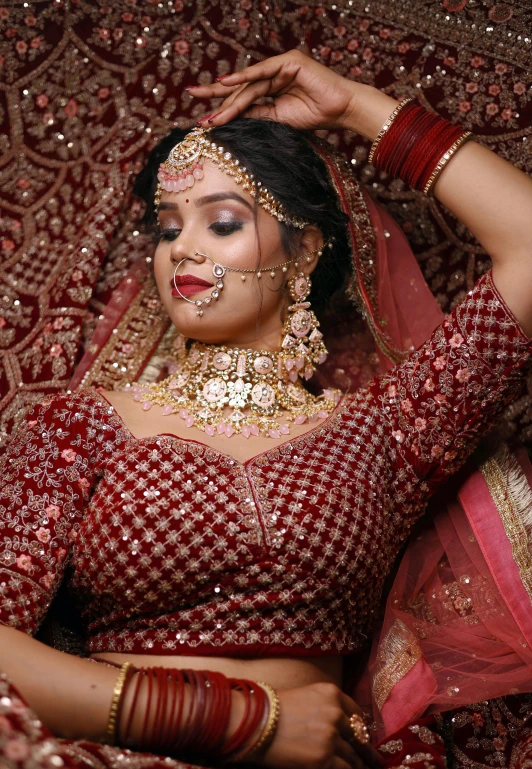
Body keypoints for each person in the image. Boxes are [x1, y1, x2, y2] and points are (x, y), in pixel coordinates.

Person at [1, 49, 532, 769]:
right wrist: (240, 719)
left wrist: (356, 107)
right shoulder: (84, 425)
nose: (181, 246)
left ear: (305, 247)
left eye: (220, 222)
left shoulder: (384, 434)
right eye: (166, 226)